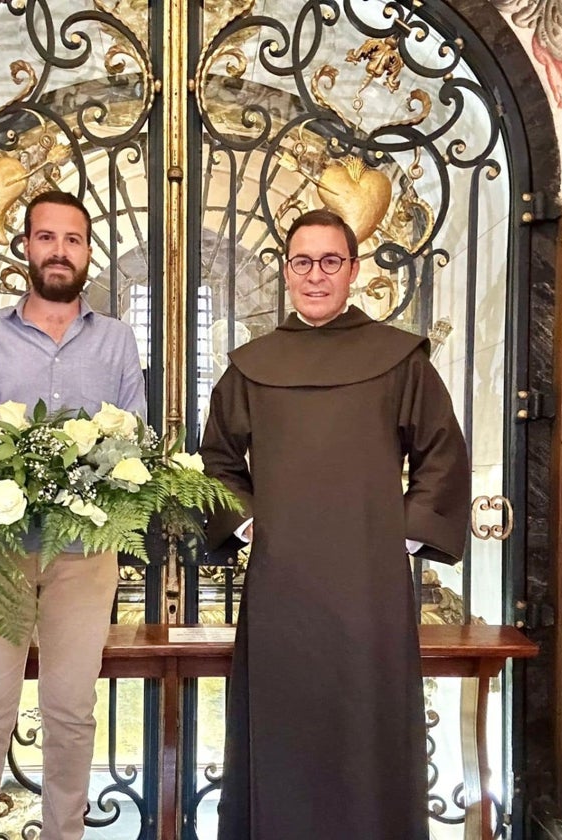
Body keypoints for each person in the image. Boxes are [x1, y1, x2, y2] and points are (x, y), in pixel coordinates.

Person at [200, 208, 471, 839]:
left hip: (368, 589)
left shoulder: (398, 360)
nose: (315, 277)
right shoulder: (251, 366)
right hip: (281, 586)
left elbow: (442, 453)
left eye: (329, 262)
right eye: (303, 262)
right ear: (286, 272)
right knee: (283, 730)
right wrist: (247, 527)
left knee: (366, 732)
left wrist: (399, 535)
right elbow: (214, 461)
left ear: (352, 270)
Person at [0, 190, 146, 840]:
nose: (60, 251)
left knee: (70, 711)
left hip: (84, 555)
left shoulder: (115, 340)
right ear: (25, 247)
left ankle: (66, 834)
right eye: (47, 237)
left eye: (73, 239)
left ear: (88, 252)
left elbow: (134, 443)